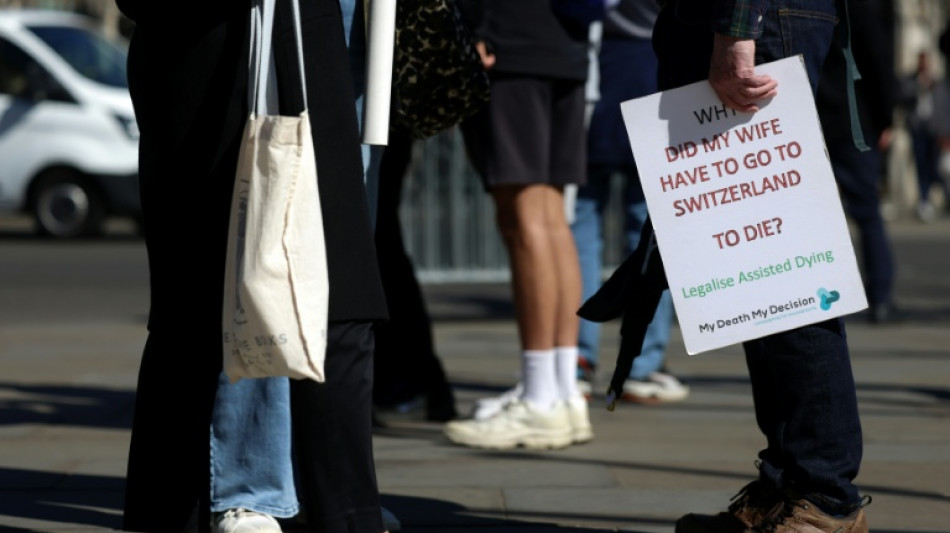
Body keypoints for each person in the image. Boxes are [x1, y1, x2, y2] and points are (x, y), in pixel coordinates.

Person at [116, 0, 391, 532]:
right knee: (191, 316)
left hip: (304, 39)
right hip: (199, 51)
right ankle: (244, 497)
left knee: (338, 304)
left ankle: (346, 513)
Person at [638, 1, 872, 531]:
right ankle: (790, 485)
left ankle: (826, 495)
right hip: (740, 19)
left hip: (747, 20)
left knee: (785, 272)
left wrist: (736, 31)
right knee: (756, 279)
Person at [442, 0, 595, 450]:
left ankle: (540, 398)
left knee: (525, 221)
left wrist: (473, 26)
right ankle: (562, 392)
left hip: (509, 42)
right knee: (550, 218)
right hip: (562, 43)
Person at [571, 0, 690, 403]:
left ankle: (577, 360)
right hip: (653, 69)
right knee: (653, 232)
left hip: (591, 70)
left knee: (579, 226)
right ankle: (643, 363)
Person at [816, 0, 902, 325]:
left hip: (810, 115)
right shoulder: (858, 6)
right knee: (867, 212)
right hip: (854, 120)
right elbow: (877, 61)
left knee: (813, 214)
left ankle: (814, 297)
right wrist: (885, 119)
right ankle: (879, 297)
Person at [371, 129, 459, 423]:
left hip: (374, 108)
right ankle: (414, 383)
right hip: (383, 111)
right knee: (379, 237)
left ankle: (409, 383)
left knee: (376, 237)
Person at [899, 49, 950, 222]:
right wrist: (919, 87)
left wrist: (945, 133)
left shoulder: (938, 83)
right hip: (917, 130)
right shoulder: (911, 81)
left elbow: (944, 107)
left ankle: (943, 196)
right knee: (920, 165)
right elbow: (903, 97)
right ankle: (924, 201)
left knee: (936, 167)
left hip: (935, 131)